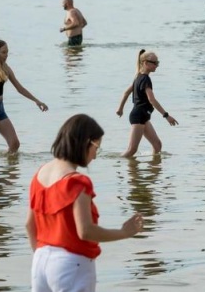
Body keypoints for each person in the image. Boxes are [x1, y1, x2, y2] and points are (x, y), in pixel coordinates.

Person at [27, 114, 144, 292]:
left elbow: (29, 225)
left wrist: (44, 257)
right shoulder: (78, 182)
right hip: (71, 264)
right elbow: (85, 231)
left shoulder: (39, 175)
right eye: (97, 147)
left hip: (40, 262)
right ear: (85, 143)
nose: (95, 156)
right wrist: (124, 232)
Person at [0, 39, 49, 156]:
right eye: (3, 52)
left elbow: (20, 88)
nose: (6, 55)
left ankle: (8, 171)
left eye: (7, 52)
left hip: (0, 109)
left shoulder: (5, 68)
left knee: (14, 144)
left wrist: (37, 101)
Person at [115, 50, 178, 158]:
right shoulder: (144, 79)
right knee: (132, 150)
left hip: (143, 116)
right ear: (145, 63)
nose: (156, 65)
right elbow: (152, 100)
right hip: (138, 116)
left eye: (157, 63)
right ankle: (117, 164)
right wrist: (166, 116)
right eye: (154, 63)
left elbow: (126, 92)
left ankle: (153, 170)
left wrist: (120, 109)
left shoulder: (138, 77)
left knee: (157, 145)